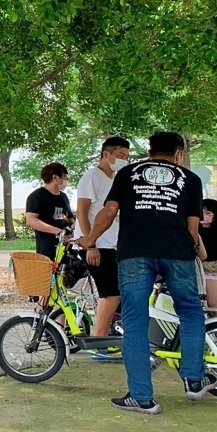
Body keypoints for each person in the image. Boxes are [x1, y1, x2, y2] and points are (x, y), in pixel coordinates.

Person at [79, 132, 214, 414]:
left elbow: (108, 212)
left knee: (135, 319)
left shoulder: (127, 174)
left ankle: (142, 397)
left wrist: (90, 240)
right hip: (177, 253)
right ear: (178, 154)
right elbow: (192, 228)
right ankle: (194, 378)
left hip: (135, 254)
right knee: (190, 311)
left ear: (150, 151)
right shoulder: (191, 179)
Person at [74, 137, 130, 356]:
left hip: (112, 244)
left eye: (127, 156)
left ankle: (107, 335)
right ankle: (99, 340)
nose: (124, 160)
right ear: (107, 154)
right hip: (96, 245)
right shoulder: (92, 177)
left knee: (118, 293)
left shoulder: (115, 179)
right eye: (121, 155)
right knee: (111, 293)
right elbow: (82, 212)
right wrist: (91, 244)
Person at [25, 163, 73, 259]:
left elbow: (70, 217)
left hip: (67, 246)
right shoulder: (37, 196)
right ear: (55, 177)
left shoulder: (64, 197)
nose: (66, 179)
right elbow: (31, 220)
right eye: (64, 176)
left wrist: (73, 227)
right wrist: (57, 232)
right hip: (47, 247)